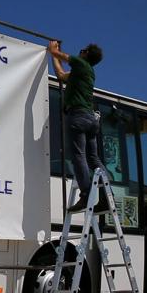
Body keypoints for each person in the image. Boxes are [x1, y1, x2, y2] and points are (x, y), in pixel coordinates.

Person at [48, 41, 108, 212]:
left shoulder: (82, 64)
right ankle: (105, 197)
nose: (79, 51)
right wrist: (54, 55)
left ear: (86, 54)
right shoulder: (84, 72)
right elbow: (60, 74)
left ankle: (86, 195)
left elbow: (60, 55)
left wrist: (53, 48)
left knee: (78, 156)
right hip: (91, 119)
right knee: (93, 158)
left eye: (82, 50)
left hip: (79, 116)